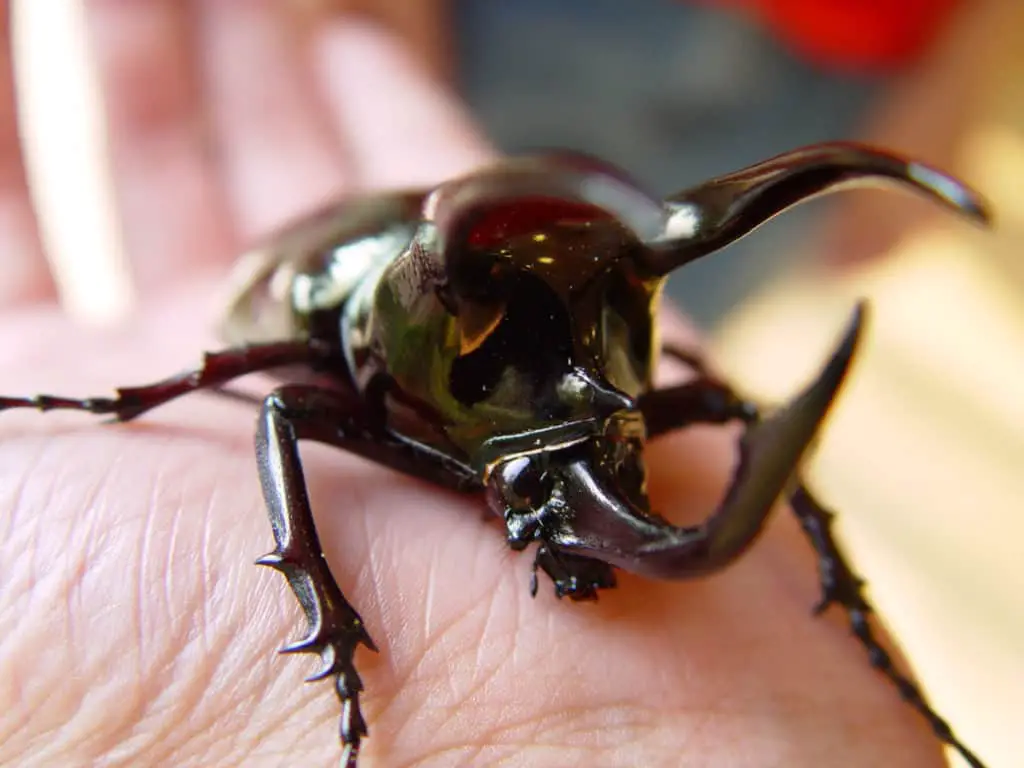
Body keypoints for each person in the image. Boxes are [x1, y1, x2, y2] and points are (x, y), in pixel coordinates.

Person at [0, 5, 951, 766]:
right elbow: (280, 405)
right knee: (291, 402)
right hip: (336, 276)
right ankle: (318, 623)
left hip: (857, 63)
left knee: (718, 396)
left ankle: (846, 610)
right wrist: (118, 407)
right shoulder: (398, 372)